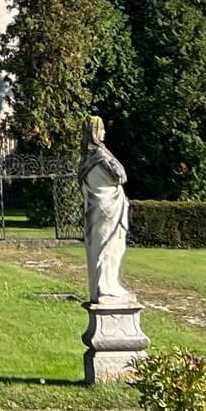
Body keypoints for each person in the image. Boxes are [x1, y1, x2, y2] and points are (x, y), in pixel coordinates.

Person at [80, 115, 133, 305]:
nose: (105, 133)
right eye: (101, 129)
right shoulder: (101, 157)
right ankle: (106, 287)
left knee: (103, 248)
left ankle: (107, 285)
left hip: (97, 211)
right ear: (95, 133)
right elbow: (121, 175)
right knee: (108, 247)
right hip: (108, 211)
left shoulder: (86, 159)